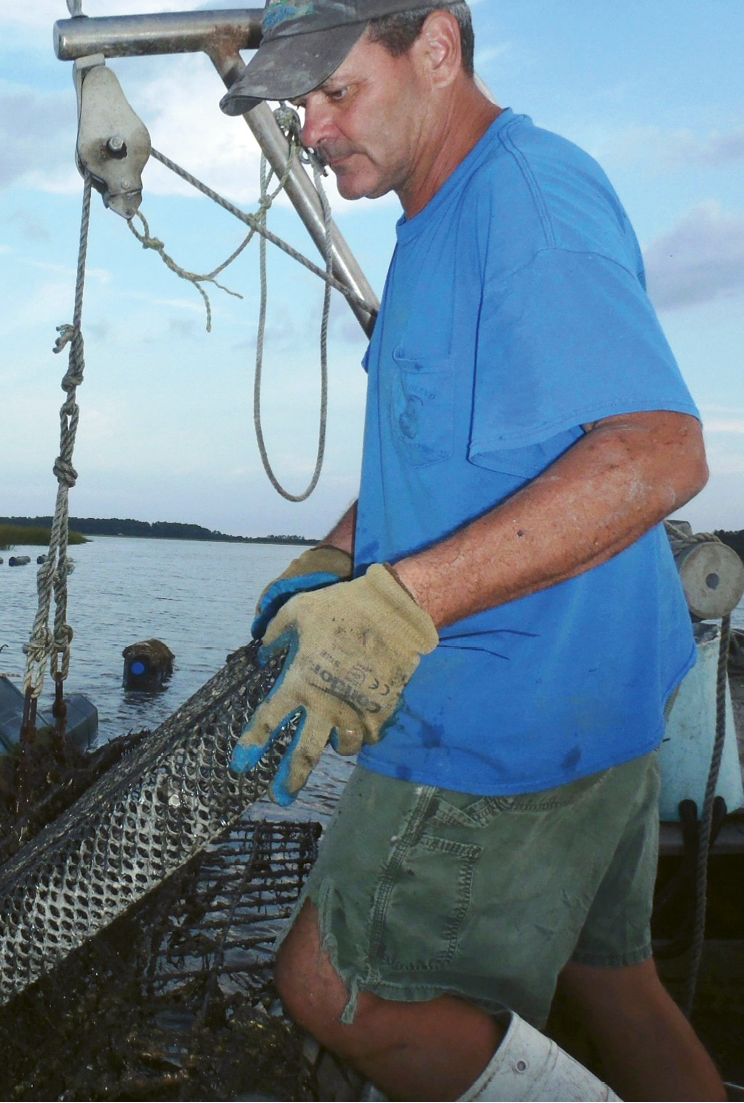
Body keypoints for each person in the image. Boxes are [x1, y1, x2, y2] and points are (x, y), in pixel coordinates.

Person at [219, 2, 725, 1100]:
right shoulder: (438, 214)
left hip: (509, 720)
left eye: (335, 92)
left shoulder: (524, 197)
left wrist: (400, 603)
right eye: (299, 104)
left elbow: (659, 451)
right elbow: (434, 445)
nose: (310, 128)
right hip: (606, 709)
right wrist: (329, 556)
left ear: (436, 49)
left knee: (333, 989)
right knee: (615, 982)